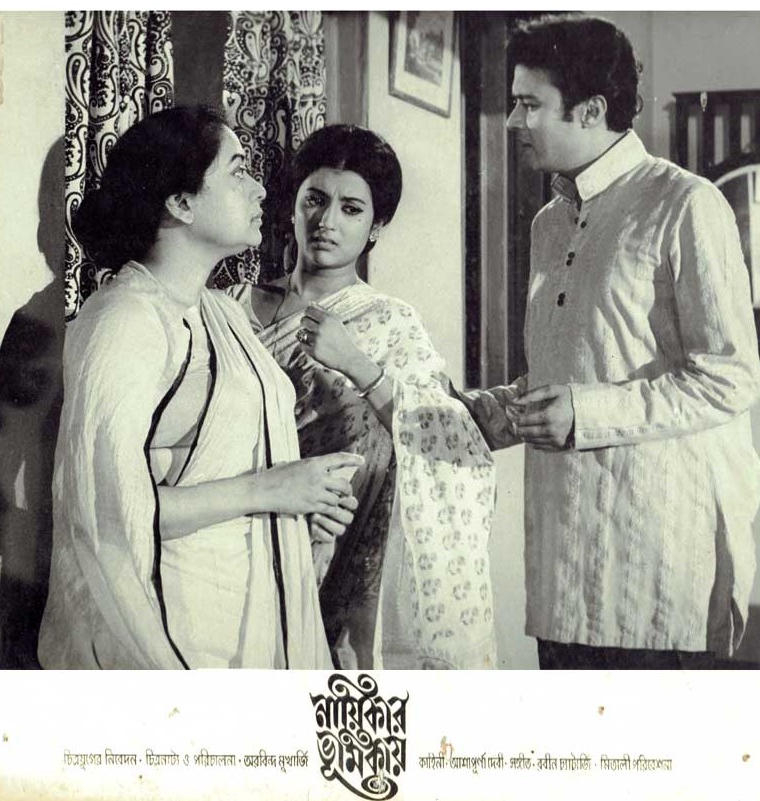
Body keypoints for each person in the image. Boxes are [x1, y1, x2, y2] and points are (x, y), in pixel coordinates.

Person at [463, 16, 760, 669]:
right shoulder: (549, 222)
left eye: (528, 104)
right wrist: (487, 412)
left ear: (593, 109)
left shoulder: (685, 204)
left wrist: (584, 413)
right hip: (561, 570)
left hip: (655, 574)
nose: (512, 122)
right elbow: (575, 368)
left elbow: (730, 376)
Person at [37, 105, 362, 670]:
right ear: (181, 203)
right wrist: (272, 490)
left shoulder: (222, 314)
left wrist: (308, 508)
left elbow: (226, 468)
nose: (261, 189)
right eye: (237, 171)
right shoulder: (125, 319)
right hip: (173, 636)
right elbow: (104, 515)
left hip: (246, 623)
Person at [227, 125, 498, 669]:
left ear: (376, 227)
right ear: (294, 204)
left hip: (332, 552)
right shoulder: (231, 304)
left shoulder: (390, 322)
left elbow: (449, 441)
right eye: (315, 200)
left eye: (351, 209)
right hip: (231, 530)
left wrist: (356, 364)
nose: (327, 222)